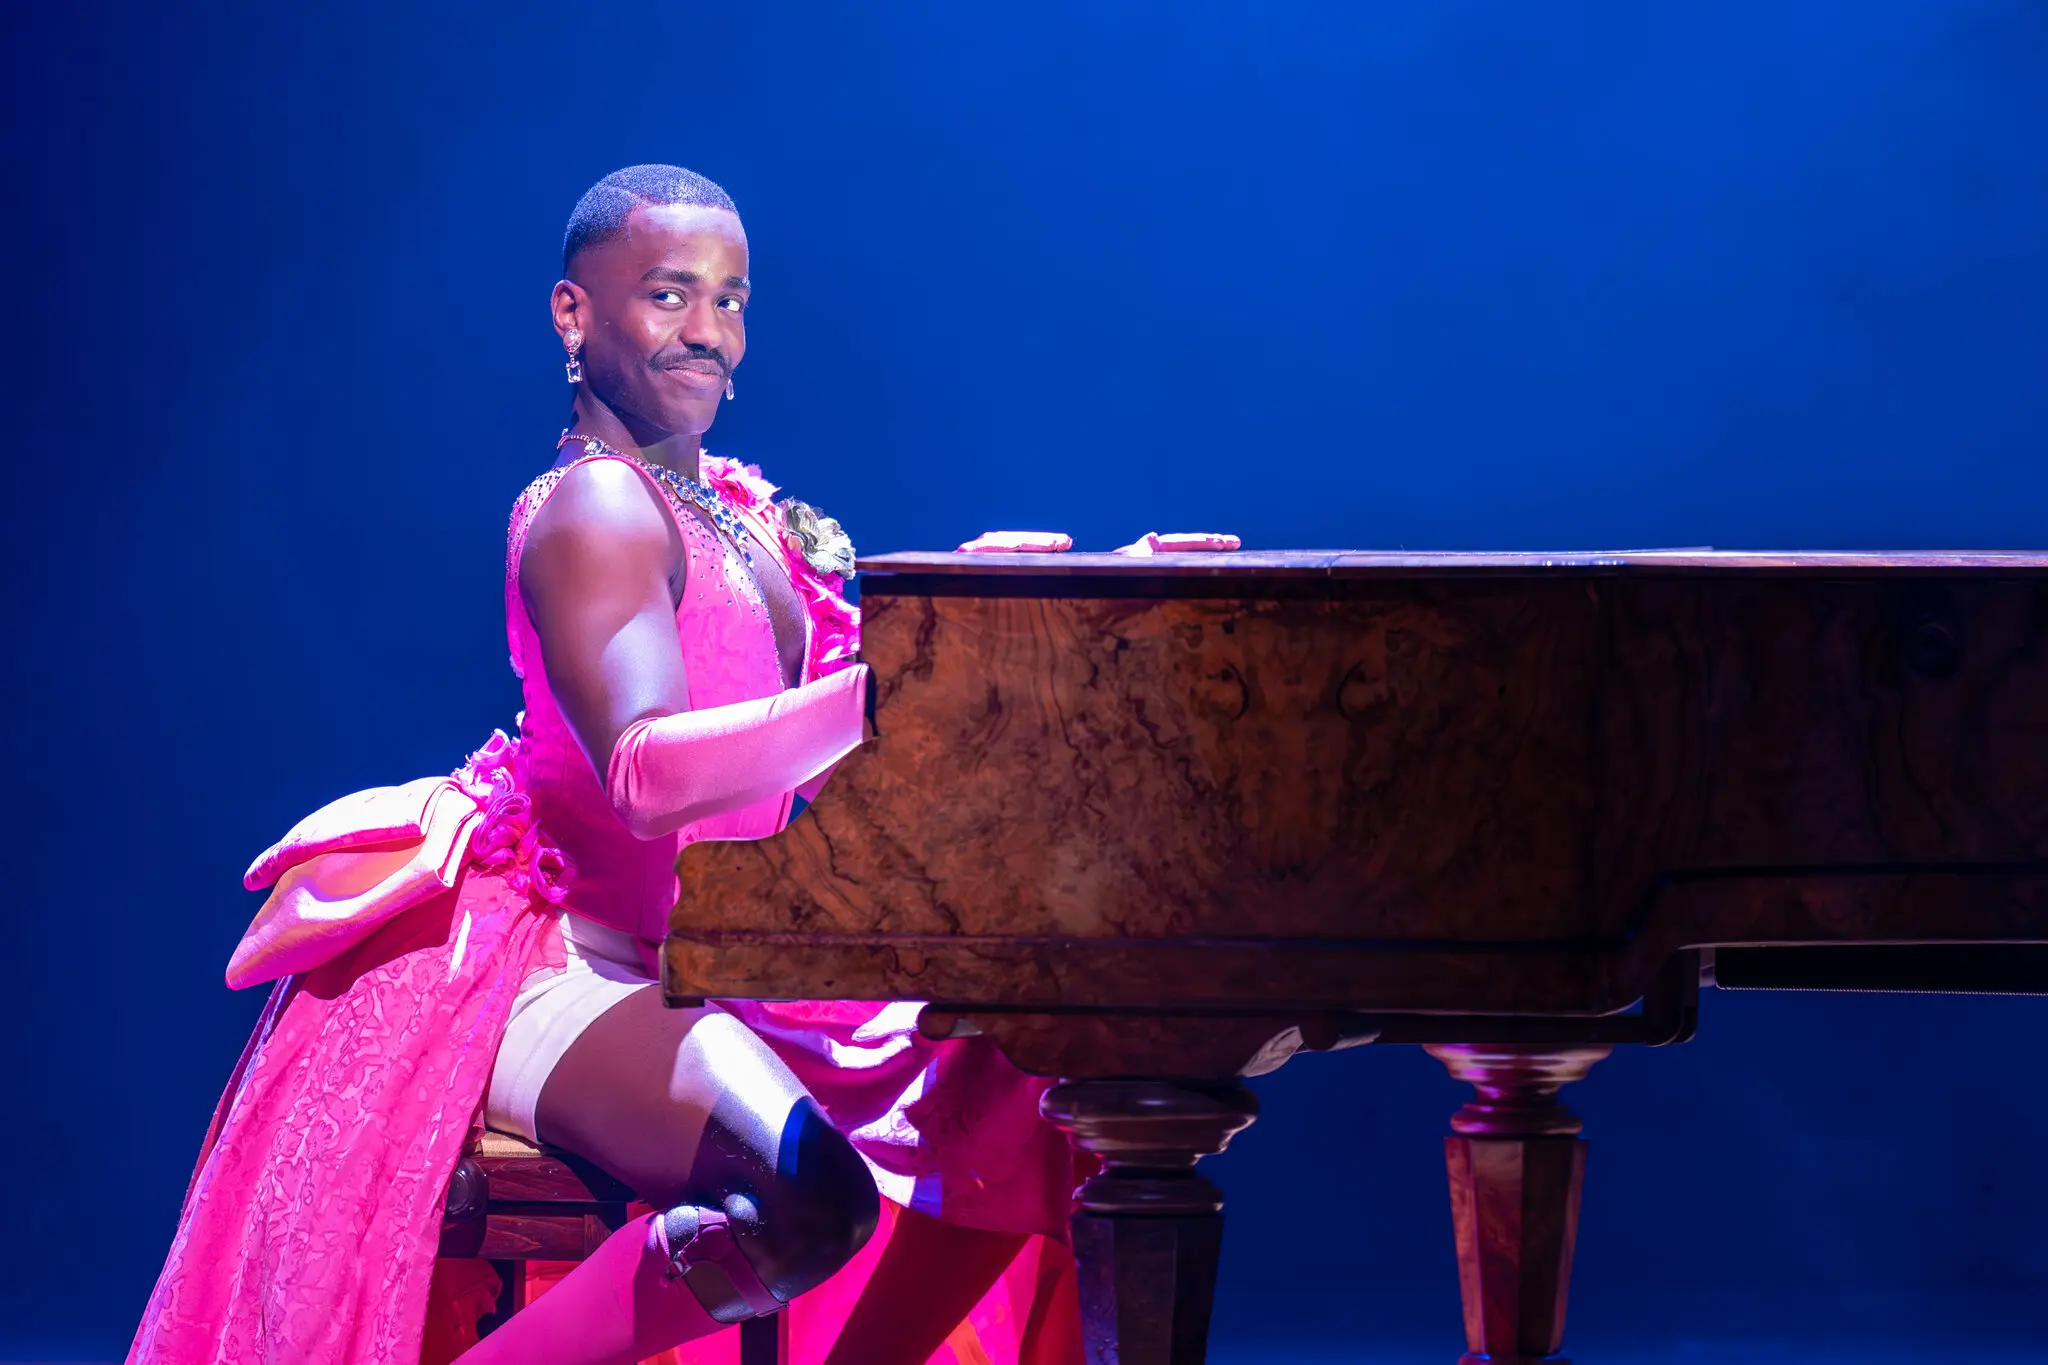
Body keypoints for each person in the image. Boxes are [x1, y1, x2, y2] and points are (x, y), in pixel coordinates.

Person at [129, 165, 1079, 1365]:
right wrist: (895, 689)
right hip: (564, 955)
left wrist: (996, 610)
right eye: (669, 294)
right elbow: (643, 776)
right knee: (803, 1200)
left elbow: (827, 736)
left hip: (723, 956)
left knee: (1027, 1085)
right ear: (573, 313)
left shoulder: (737, 513)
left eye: (731, 299)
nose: (709, 331)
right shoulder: (595, 509)